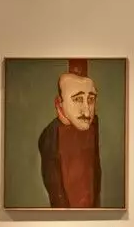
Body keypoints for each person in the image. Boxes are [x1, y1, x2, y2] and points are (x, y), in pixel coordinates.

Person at [37, 59, 102, 208]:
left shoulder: (94, 127)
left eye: (91, 99)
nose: (87, 111)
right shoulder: (50, 137)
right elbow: (57, 198)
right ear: (59, 104)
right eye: (78, 99)